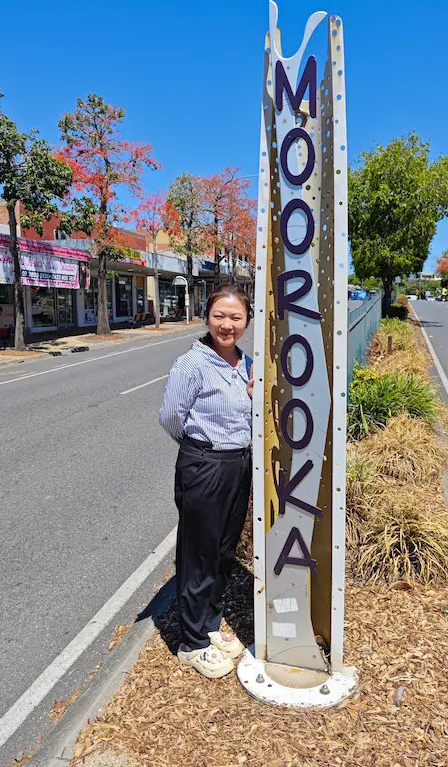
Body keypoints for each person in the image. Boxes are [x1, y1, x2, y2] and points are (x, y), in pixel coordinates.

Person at [159, 284, 254, 678]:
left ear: (247, 320)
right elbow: (170, 417)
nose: (227, 325)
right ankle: (192, 641)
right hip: (204, 466)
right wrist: (202, 450)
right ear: (206, 317)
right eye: (220, 316)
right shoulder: (191, 365)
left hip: (239, 465)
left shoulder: (247, 363)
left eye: (235, 317)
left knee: (223, 551)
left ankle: (210, 623)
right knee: (198, 555)